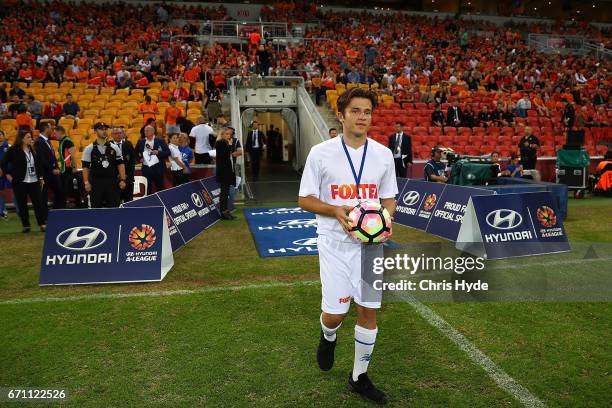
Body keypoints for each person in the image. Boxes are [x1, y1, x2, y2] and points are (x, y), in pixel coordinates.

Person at [298, 87, 397, 405]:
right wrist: (335, 211)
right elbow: (304, 199)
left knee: (369, 310)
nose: (362, 117)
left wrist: (384, 221)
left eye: (367, 111)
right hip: (335, 245)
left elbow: (389, 199)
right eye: (355, 111)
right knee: (336, 314)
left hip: (370, 247)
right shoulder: (321, 153)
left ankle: (359, 377)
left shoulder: (383, 154)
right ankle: (328, 335)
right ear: (341, 115)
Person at [0, 130, 46, 232]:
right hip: (20, 181)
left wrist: (41, 177)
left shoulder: (34, 149)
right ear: (22, 139)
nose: (31, 139)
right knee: (22, 204)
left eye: (31, 137)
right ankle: (26, 225)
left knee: (38, 202)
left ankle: (42, 224)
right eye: (28, 137)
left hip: (34, 180)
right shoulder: (13, 150)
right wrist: (7, 174)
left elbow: (39, 164)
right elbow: (3, 162)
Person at [81, 122, 127, 208]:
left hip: (112, 182)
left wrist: (123, 179)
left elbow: (120, 164)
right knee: (96, 208)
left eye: (106, 129)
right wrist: (86, 182)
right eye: (101, 129)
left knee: (114, 208)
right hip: (96, 183)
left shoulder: (115, 147)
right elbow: (85, 167)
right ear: (95, 131)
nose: (104, 131)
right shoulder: (89, 148)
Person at [35, 121, 65, 214]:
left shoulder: (47, 141)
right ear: (45, 128)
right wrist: (52, 170)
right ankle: (45, 215)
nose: (52, 129)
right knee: (43, 195)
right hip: (45, 173)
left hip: (52, 173)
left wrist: (56, 167)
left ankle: (57, 212)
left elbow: (52, 156)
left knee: (59, 191)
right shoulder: (39, 142)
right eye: (50, 127)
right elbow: (41, 159)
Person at [136, 125, 170, 194]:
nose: (145, 132)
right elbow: (135, 152)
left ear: (153, 131)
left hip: (158, 167)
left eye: (147, 131)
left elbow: (168, 152)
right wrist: (139, 159)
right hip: (146, 168)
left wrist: (158, 152)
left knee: (160, 187)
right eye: (145, 131)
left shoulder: (160, 141)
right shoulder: (141, 141)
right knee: (147, 188)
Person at [55, 126, 84, 208]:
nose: (55, 135)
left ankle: (78, 206)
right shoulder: (62, 141)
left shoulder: (67, 141)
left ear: (60, 132)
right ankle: (68, 205)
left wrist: (74, 167)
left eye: (55, 133)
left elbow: (73, 155)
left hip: (68, 169)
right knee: (66, 189)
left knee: (73, 189)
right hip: (64, 169)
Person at [215, 127, 236, 220]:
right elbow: (224, 155)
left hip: (227, 170)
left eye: (229, 134)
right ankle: (223, 212)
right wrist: (230, 146)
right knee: (224, 192)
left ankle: (226, 211)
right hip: (223, 172)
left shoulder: (225, 143)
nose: (229, 136)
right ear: (222, 135)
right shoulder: (220, 143)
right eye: (226, 134)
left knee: (226, 192)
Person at [111, 127, 136, 203]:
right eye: (116, 133)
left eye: (120, 133)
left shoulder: (128, 144)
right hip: (114, 179)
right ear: (112, 135)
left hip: (128, 179)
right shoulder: (108, 145)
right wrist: (118, 175)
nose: (118, 135)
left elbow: (132, 162)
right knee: (115, 201)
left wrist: (125, 175)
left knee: (129, 202)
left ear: (123, 134)